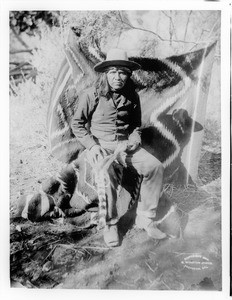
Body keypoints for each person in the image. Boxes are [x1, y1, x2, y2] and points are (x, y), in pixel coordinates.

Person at [71, 48, 166, 247]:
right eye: (113, 72)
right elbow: (77, 124)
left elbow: (135, 127)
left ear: (128, 75)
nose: (118, 77)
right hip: (100, 147)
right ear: (106, 73)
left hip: (124, 147)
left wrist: (133, 140)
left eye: (123, 72)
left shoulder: (132, 97)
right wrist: (91, 146)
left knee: (154, 166)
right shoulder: (92, 95)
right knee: (106, 173)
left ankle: (145, 218)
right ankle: (111, 224)